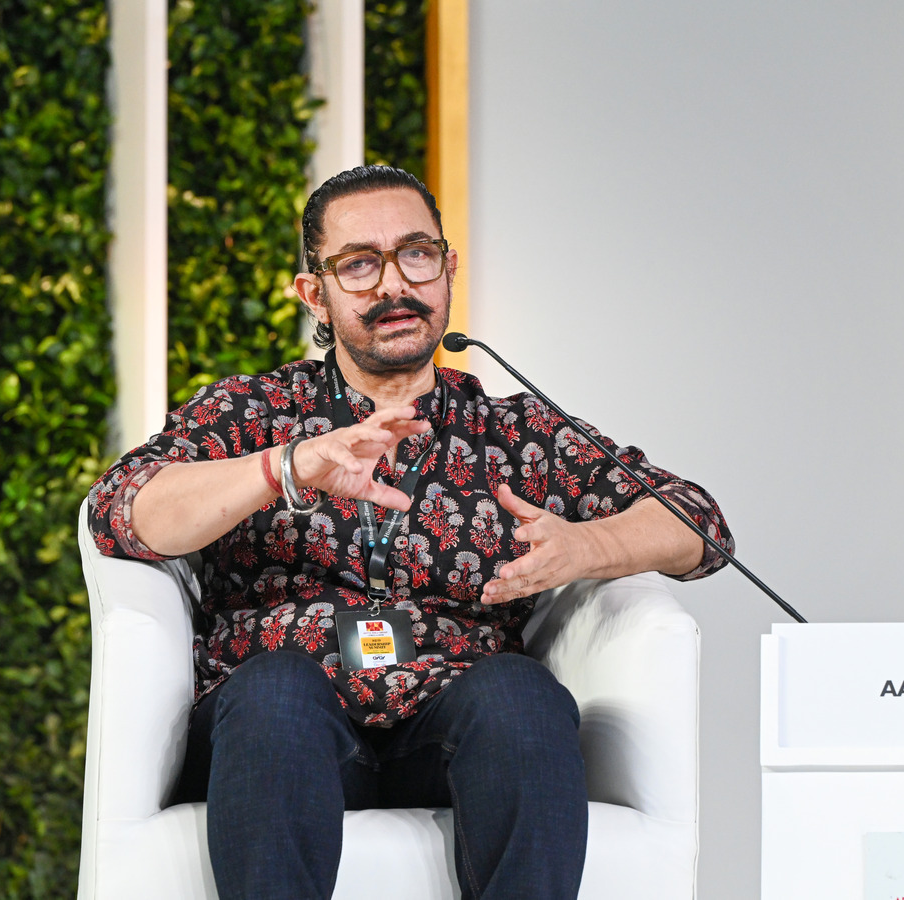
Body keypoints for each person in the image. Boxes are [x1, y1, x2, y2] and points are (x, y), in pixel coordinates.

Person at [86, 165, 735, 900]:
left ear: (448, 269)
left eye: (416, 254)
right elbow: (120, 509)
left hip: (458, 731)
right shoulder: (255, 412)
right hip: (277, 739)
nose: (394, 284)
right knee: (275, 694)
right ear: (315, 295)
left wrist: (590, 546)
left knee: (522, 694)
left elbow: (700, 524)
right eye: (359, 264)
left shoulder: (515, 432)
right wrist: (285, 467)